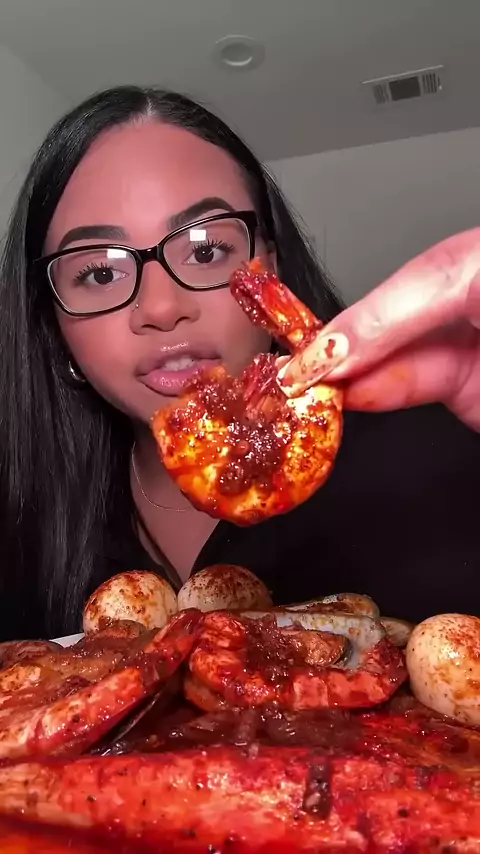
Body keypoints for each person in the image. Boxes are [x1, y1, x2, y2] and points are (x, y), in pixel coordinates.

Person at [0, 85, 479, 642]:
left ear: (268, 266)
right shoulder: (20, 520)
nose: (162, 307)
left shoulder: (440, 456)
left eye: (206, 250)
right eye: (100, 273)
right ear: (52, 318)